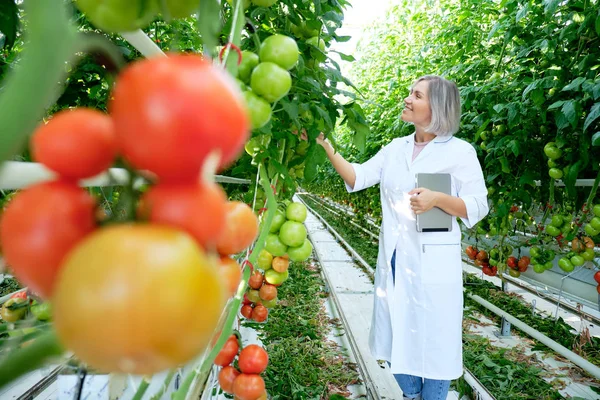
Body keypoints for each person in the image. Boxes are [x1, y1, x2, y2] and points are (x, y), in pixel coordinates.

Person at [313, 75, 489, 400]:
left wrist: (437, 199)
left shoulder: (459, 152)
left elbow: (478, 205)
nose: (408, 99)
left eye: (416, 95)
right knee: (394, 338)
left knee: (435, 344)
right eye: (410, 92)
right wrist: (327, 146)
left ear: (436, 107)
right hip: (395, 258)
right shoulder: (396, 148)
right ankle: (411, 394)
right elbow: (359, 176)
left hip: (434, 262)